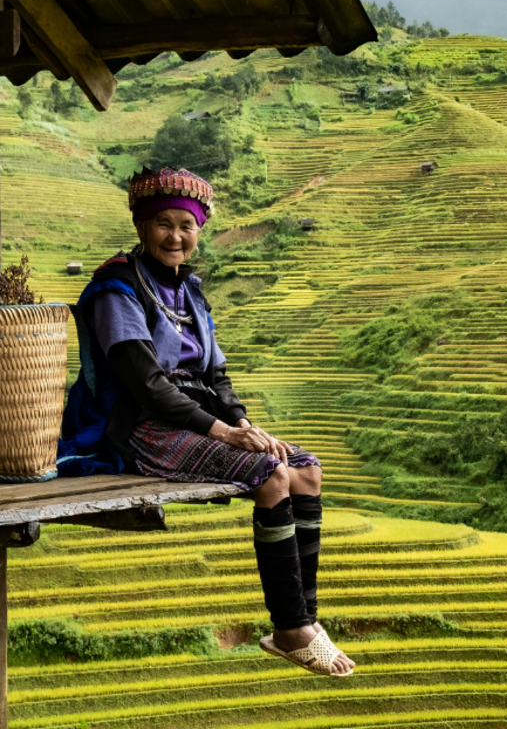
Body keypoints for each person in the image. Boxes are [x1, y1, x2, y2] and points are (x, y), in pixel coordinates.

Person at [57, 166, 354, 677]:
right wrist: (224, 432)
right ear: (141, 225)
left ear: (200, 231)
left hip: (200, 418)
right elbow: (145, 383)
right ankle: (291, 627)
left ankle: (304, 620)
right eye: (164, 224)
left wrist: (242, 421)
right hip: (141, 423)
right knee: (270, 473)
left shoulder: (190, 291)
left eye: (187, 226)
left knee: (306, 468)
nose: (176, 236)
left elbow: (217, 373)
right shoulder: (116, 289)